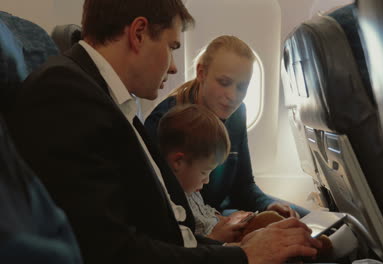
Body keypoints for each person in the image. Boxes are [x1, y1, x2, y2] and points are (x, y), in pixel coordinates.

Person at [5, 1, 322, 263]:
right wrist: (242, 257)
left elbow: (159, 227)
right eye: (171, 47)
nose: (173, 67)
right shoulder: (64, 93)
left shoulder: (107, 99)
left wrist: (235, 248)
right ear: (139, 33)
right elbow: (111, 250)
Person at [145, 35, 309, 218]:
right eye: (224, 83)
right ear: (201, 73)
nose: (232, 96)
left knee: (304, 219)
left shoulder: (237, 114)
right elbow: (160, 202)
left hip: (223, 209)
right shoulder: (164, 121)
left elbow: (243, 185)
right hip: (196, 218)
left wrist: (268, 205)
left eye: (242, 87)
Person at [157, 104, 258, 242]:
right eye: (204, 172)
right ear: (178, 162)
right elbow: (186, 248)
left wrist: (227, 219)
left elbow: (204, 211)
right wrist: (215, 238)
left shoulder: (191, 190)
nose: (207, 180)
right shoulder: (173, 205)